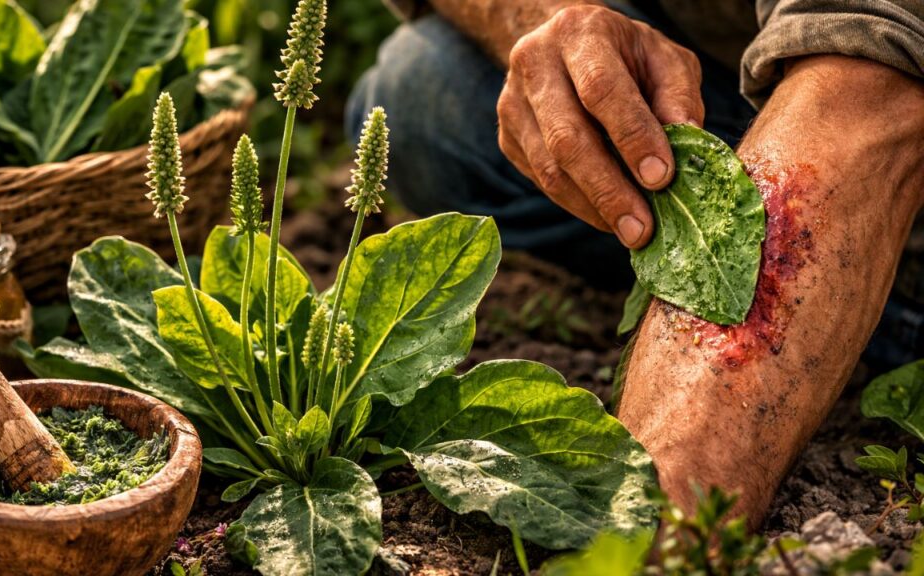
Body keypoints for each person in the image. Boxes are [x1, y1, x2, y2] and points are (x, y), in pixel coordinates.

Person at [347, 0, 924, 526]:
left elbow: (868, 80)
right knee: (419, 90)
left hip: (867, 76)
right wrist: (553, 24)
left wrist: (659, 512)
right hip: (727, 77)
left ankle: (876, 299)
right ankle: (841, 305)